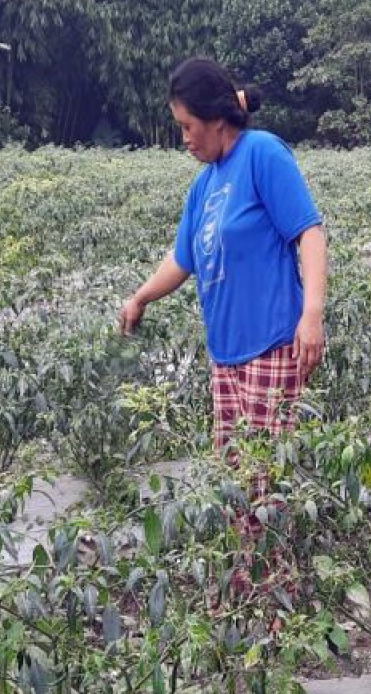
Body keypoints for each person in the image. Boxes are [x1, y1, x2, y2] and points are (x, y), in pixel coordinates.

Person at [119, 57, 328, 456]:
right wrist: (140, 298)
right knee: (232, 487)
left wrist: (312, 315)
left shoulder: (261, 154)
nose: (184, 139)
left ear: (215, 118)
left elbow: (310, 233)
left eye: (187, 127)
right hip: (225, 357)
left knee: (267, 488)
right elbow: (182, 259)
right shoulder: (203, 185)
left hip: (272, 348)